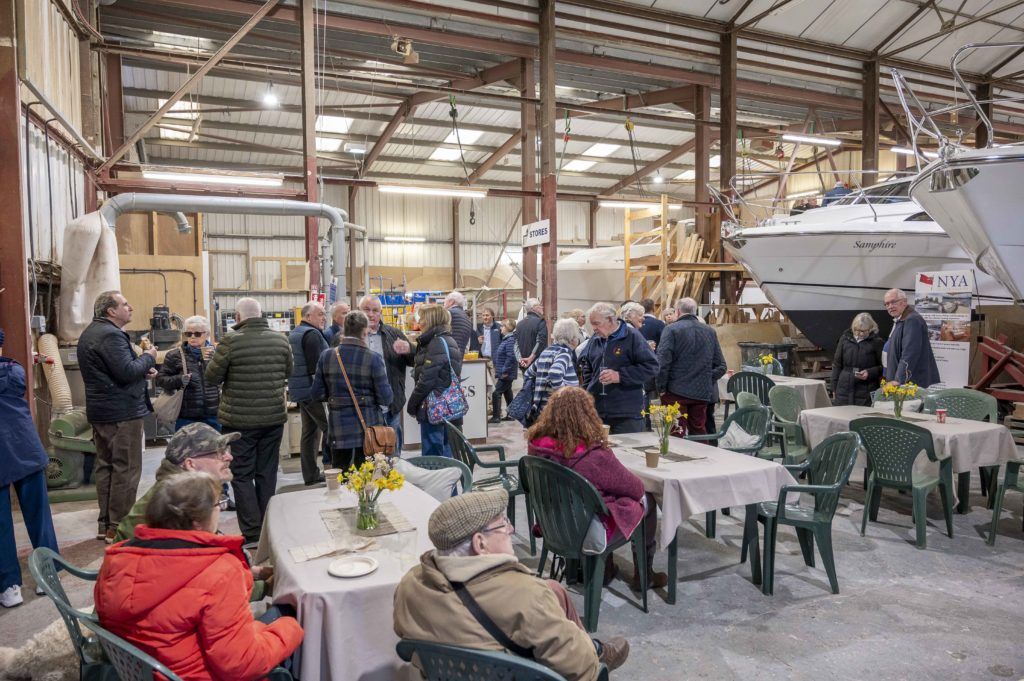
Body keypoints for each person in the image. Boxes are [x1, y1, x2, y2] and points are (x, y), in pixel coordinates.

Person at [393, 489, 628, 679]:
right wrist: (590, 661)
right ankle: (595, 650)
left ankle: (593, 647)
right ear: (480, 544)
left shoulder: (410, 585)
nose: (512, 528)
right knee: (582, 654)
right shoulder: (527, 595)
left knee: (554, 590)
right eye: (503, 524)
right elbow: (582, 671)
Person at [95, 472, 303, 681]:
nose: (220, 509)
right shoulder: (220, 571)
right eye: (218, 504)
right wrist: (295, 625)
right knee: (296, 614)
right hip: (200, 675)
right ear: (196, 522)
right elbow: (241, 664)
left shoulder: (117, 559)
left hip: (152, 670)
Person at [526, 387, 666, 590]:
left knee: (603, 497)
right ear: (588, 415)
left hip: (552, 524)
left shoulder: (536, 446)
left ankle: (605, 570)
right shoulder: (593, 454)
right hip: (585, 530)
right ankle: (645, 575)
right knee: (647, 499)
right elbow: (635, 489)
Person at [205, 297, 293, 546]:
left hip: (239, 422)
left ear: (237, 317)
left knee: (242, 475)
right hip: (273, 418)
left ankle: (252, 532)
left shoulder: (230, 341)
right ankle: (267, 527)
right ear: (261, 314)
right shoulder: (281, 340)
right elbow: (289, 371)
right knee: (267, 472)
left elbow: (211, 377)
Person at [78, 290, 158, 543]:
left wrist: (142, 370)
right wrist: (149, 357)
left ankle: (106, 524)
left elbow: (116, 371)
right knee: (126, 469)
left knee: (106, 467)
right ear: (111, 311)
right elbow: (126, 372)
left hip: (103, 412)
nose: (130, 307)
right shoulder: (110, 335)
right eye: (125, 304)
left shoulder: (92, 332)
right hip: (121, 413)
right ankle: (119, 527)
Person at [0, 328, 59, 608]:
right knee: (39, 517)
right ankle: (49, 573)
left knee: (1, 524)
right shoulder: (15, 371)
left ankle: (9, 586)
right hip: (26, 449)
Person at [310, 311, 393, 470]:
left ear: (344, 329)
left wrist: (336, 398)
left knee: (342, 475)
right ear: (365, 332)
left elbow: (316, 394)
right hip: (368, 430)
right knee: (367, 477)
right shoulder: (373, 358)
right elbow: (386, 398)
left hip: (339, 429)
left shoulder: (327, 356)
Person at [581, 302, 659, 434]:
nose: (593, 328)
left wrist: (620, 376)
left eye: (596, 323)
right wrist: (588, 391)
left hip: (626, 414)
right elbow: (587, 367)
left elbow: (651, 366)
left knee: (629, 447)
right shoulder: (595, 339)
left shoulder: (632, 336)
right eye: (592, 324)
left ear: (610, 319)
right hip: (597, 413)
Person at [656, 297, 727, 436]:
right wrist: (705, 378)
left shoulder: (671, 329)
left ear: (677, 311)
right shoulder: (709, 331)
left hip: (675, 391)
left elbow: (663, 362)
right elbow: (721, 366)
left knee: (676, 432)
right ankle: (702, 451)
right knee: (699, 432)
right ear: (695, 311)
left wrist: (661, 388)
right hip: (701, 392)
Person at [359, 294, 415, 455]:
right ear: (359, 311)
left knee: (393, 452)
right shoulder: (351, 336)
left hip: (391, 405)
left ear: (381, 313)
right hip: (363, 406)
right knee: (367, 452)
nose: (371, 314)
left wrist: (409, 349)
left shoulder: (393, 334)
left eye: (375, 310)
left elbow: (415, 360)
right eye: (366, 310)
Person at [407, 305, 463, 458]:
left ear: (430, 320)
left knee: (434, 457)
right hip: (448, 408)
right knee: (447, 452)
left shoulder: (435, 343)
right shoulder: (447, 339)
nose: (420, 322)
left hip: (434, 408)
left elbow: (426, 380)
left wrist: (412, 405)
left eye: (422, 318)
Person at [288, 302, 330, 485]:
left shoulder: (296, 332)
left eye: (324, 314)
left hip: (302, 391)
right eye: (320, 314)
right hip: (313, 392)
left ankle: (311, 475)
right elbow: (316, 368)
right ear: (307, 316)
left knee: (310, 432)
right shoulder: (312, 334)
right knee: (330, 429)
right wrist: (324, 392)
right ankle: (333, 470)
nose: (324, 317)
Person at [156, 315, 221, 432]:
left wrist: (217, 361)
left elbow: (227, 378)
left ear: (207, 334)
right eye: (188, 334)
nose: (192, 337)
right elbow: (160, 380)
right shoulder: (175, 355)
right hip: (186, 417)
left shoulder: (217, 354)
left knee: (215, 444)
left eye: (197, 334)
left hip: (213, 414)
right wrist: (179, 379)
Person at [521, 319, 580, 425]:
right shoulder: (564, 353)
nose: (578, 339)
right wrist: (563, 394)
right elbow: (555, 373)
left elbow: (528, 373)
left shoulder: (547, 351)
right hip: (557, 410)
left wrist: (537, 393)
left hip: (541, 408)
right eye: (577, 336)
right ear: (571, 338)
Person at [882, 288, 939, 387]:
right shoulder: (901, 319)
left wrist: (898, 380)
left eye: (893, 302)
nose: (890, 306)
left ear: (904, 302)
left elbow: (909, 353)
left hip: (909, 383)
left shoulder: (912, 320)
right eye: (887, 304)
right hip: (904, 381)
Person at [831, 313, 886, 406]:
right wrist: (833, 387)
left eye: (863, 331)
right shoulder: (844, 339)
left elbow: (883, 366)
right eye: (856, 330)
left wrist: (870, 372)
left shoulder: (877, 342)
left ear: (870, 329)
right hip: (844, 387)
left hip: (866, 388)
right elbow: (837, 364)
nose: (859, 333)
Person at [491, 319, 518, 424]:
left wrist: (504, 370)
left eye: (502, 326)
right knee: (507, 391)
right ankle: (511, 414)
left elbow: (511, 357)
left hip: (506, 373)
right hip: (506, 372)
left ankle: (496, 417)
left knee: (496, 393)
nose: (500, 328)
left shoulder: (510, 340)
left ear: (507, 328)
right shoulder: (507, 339)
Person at [515, 298, 548, 369]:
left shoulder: (519, 324)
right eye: (540, 305)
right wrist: (531, 358)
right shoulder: (540, 322)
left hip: (523, 364)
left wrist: (520, 360)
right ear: (534, 308)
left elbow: (515, 344)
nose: (542, 307)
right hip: (537, 364)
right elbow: (540, 342)